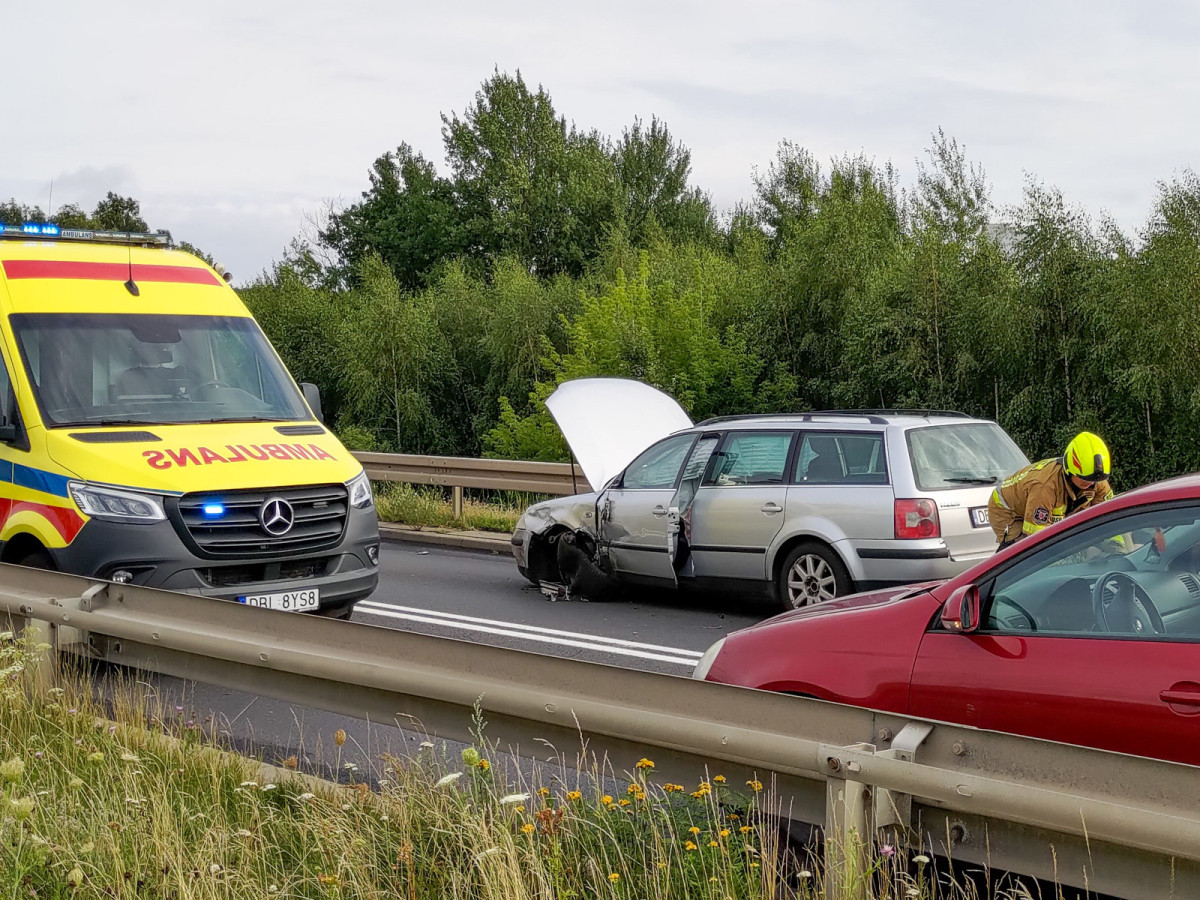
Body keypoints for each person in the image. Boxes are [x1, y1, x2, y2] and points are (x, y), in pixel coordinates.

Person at [989, 432, 1114, 551]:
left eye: (1094, 480)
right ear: (1070, 470)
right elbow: (1036, 539)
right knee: (1018, 552)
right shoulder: (1045, 487)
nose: (1091, 484)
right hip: (1007, 508)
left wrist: (1116, 548)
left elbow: (1109, 520)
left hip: (1035, 500)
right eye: (1085, 479)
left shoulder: (1097, 480)